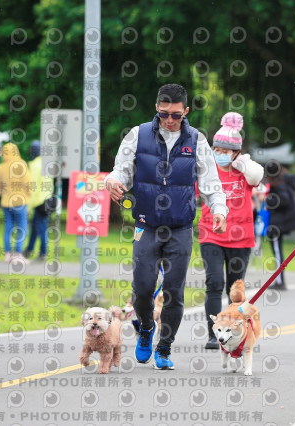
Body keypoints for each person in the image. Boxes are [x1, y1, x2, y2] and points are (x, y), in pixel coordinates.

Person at [105, 83, 228, 370]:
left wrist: (219, 210)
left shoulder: (197, 140)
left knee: (173, 291)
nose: (169, 120)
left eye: (175, 115)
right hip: (146, 225)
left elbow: (211, 183)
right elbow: (120, 170)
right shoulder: (138, 135)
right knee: (143, 288)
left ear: (186, 111)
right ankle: (146, 327)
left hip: (180, 228)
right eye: (163, 114)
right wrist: (112, 181)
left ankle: (165, 346)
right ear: (156, 109)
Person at [197, 112, 264, 350]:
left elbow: (257, 176)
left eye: (225, 150)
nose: (220, 153)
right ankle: (214, 334)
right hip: (211, 234)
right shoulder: (207, 170)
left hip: (241, 238)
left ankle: (235, 333)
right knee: (214, 283)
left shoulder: (244, 172)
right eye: (216, 149)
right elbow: (189, 195)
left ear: (236, 152)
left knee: (234, 290)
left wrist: (243, 163)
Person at [266, 167, 295, 291]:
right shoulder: (282, 182)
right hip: (280, 223)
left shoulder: (279, 185)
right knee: (277, 252)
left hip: (278, 224)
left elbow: (283, 200)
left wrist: (267, 200)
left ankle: (280, 281)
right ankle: (279, 280)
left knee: (277, 252)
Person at [0, 142, 31, 263]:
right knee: (22, 228)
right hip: (20, 202)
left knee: (8, 228)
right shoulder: (21, 164)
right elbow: (28, 184)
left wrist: (5, 193)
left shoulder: (0, 168)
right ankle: (17, 254)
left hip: (5, 202)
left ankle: (8, 254)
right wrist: (28, 195)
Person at [24, 140, 54, 262]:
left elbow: (33, 188)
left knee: (41, 227)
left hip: (39, 202)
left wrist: (28, 207)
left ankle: (43, 252)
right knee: (36, 227)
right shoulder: (46, 164)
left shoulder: (34, 165)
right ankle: (29, 250)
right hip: (48, 200)